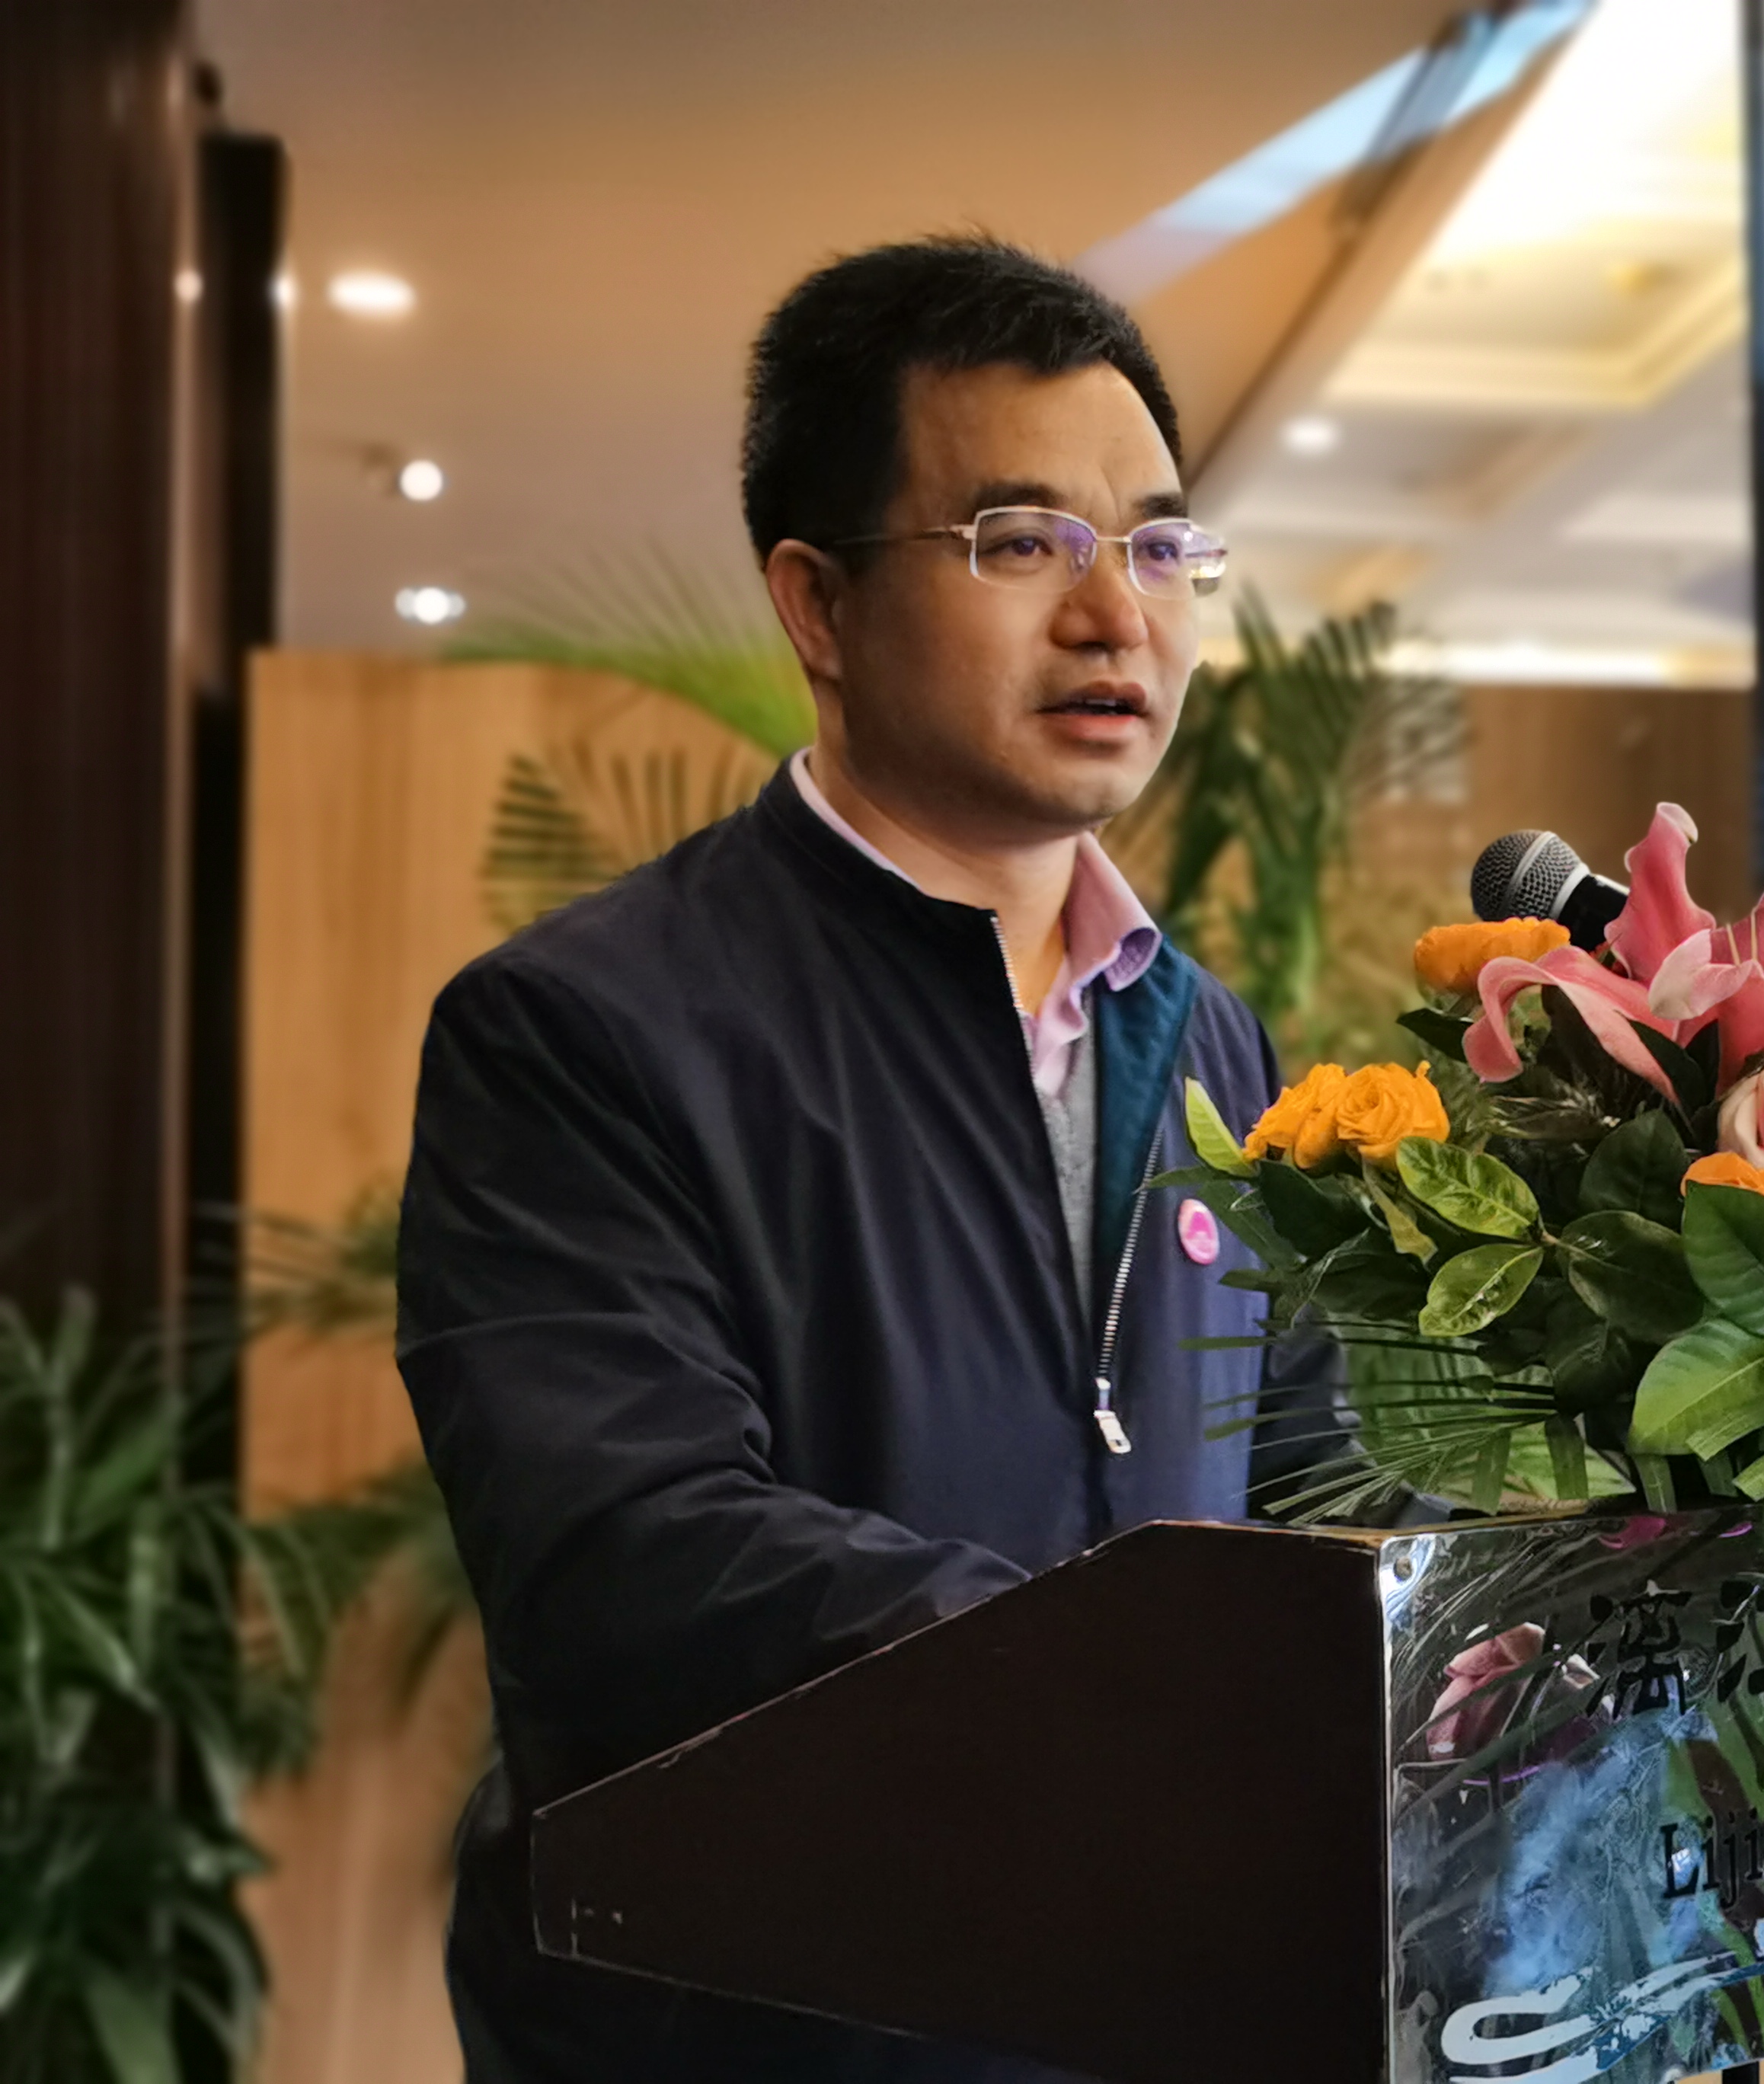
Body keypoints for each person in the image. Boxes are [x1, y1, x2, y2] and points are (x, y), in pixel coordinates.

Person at [398, 236, 1315, 2084]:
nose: (1115, 616)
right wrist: (1137, 1678)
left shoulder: (1202, 1035)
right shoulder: (580, 1030)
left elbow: (1294, 1460)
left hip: (1158, 2010)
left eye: (1158, 548)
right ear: (816, 605)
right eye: (1021, 543)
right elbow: (628, 1558)